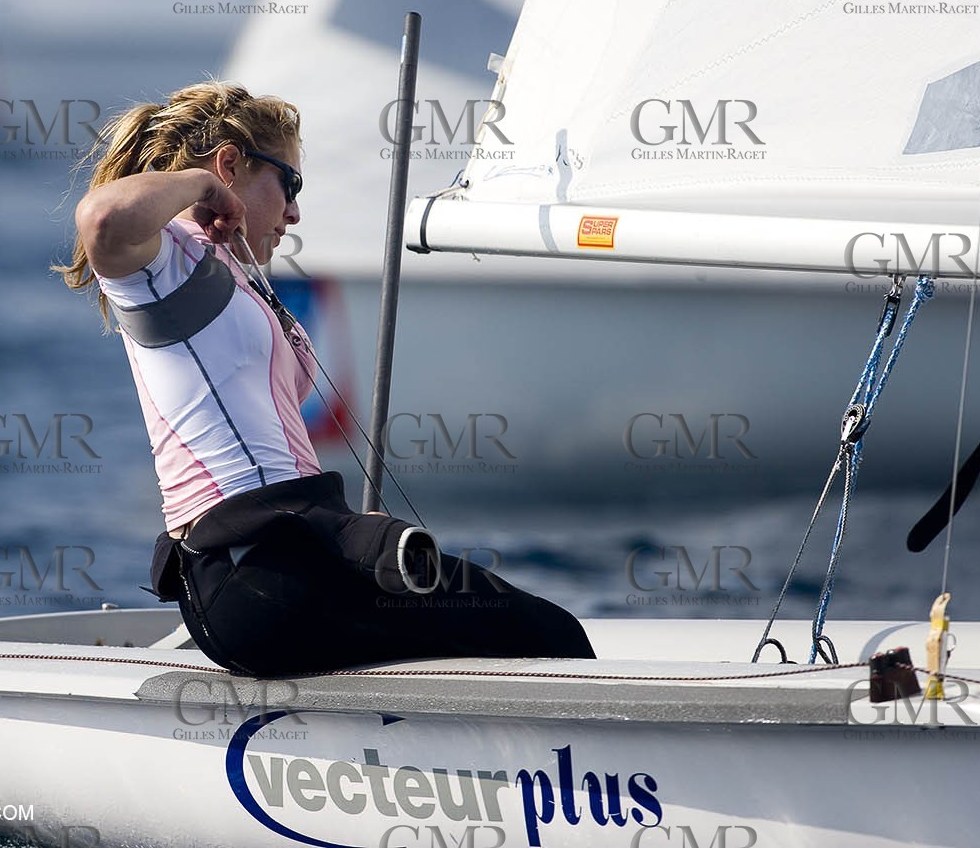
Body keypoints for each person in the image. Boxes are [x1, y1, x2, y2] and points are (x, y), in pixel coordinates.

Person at [60, 81, 594, 676]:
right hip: (251, 575)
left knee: (539, 631)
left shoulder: (229, 274)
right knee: (550, 637)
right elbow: (102, 219)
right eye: (289, 184)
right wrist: (204, 186)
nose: (294, 212)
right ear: (231, 165)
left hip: (288, 560)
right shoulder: (169, 264)